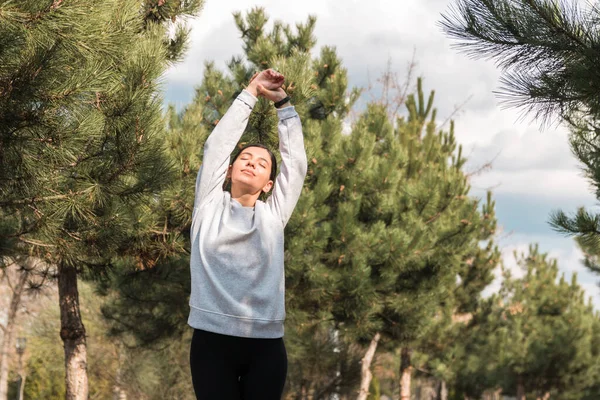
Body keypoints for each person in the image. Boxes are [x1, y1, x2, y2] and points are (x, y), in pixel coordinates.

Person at [188, 69, 308, 400]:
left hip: (266, 347)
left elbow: (295, 165)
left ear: (269, 183)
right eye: (245, 158)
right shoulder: (208, 207)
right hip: (212, 342)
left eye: (261, 163)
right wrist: (251, 93)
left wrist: (283, 105)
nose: (252, 163)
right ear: (229, 170)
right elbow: (216, 147)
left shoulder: (272, 216)